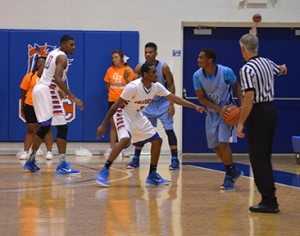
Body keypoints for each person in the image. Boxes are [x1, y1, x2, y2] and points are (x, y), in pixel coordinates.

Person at [95, 62, 206, 187]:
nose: (156, 75)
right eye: (153, 72)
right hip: (123, 114)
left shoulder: (156, 87)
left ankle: (152, 174)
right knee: (125, 139)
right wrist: (103, 124)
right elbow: (116, 105)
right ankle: (104, 170)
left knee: (157, 141)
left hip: (137, 115)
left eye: (156, 72)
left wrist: (195, 106)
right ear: (145, 74)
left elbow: (175, 98)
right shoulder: (133, 86)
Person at [237, 33, 287, 213]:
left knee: (258, 159)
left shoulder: (247, 69)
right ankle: (269, 197)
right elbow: (281, 69)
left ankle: (269, 201)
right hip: (271, 111)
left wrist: (240, 122)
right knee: (265, 157)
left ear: (243, 49)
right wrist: (283, 68)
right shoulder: (267, 62)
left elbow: (249, 97)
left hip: (257, 113)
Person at [23, 34, 84, 174]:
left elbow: (47, 75)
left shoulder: (53, 53)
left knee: (45, 126)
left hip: (43, 88)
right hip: (46, 90)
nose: (73, 47)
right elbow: (56, 78)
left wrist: (58, 91)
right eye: (71, 44)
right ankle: (62, 164)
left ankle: (31, 160)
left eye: (74, 44)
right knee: (62, 127)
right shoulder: (62, 57)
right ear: (63, 44)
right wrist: (72, 97)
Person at [193, 48, 244, 191]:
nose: (198, 59)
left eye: (201, 57)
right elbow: (201, 98)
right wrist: (217, 109)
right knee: (214, 145)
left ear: (210, 60)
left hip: (228, 111)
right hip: (213, 112)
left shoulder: (226, 72)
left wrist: (241, 107)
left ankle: (229, 175)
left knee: (223, 142)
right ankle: (232, 169)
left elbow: (237, 86)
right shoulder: (197, 76)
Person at [126, 42, 180, 170]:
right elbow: (134, 84)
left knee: (169, 130)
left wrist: (172, 104)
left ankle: (174, 159)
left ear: (156, 54)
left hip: (163, 102)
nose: (148, 54)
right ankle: (136, 159)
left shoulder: (164, 67)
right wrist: (127, 80)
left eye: (150, 52)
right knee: (140, 130)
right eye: (146, 52)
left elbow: (171, 85)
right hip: (148, 103)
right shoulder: (140, 67)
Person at [19, 56, 53, 160]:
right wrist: (23, 106)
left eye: (43, 62)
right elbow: (23, 91)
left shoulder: (51, 77)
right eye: (39, 62)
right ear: (36, 64)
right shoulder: (29, 76)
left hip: (45, 106)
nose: (41, 63)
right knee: (31, 129)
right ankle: (26, 151)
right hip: (31, 105)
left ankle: (49, 152)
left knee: (47, 129)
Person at [103, 50, 134, 159]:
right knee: (113, 124)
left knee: (124, 125)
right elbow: (108, 85)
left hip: (124, 101)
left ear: (121, 58)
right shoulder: (110, 70)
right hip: (112, 100)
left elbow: (132, 86)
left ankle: (124, 148)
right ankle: (112, 148)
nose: (114, 59)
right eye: (112, 58)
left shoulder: (128, 70)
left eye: (116, 57)